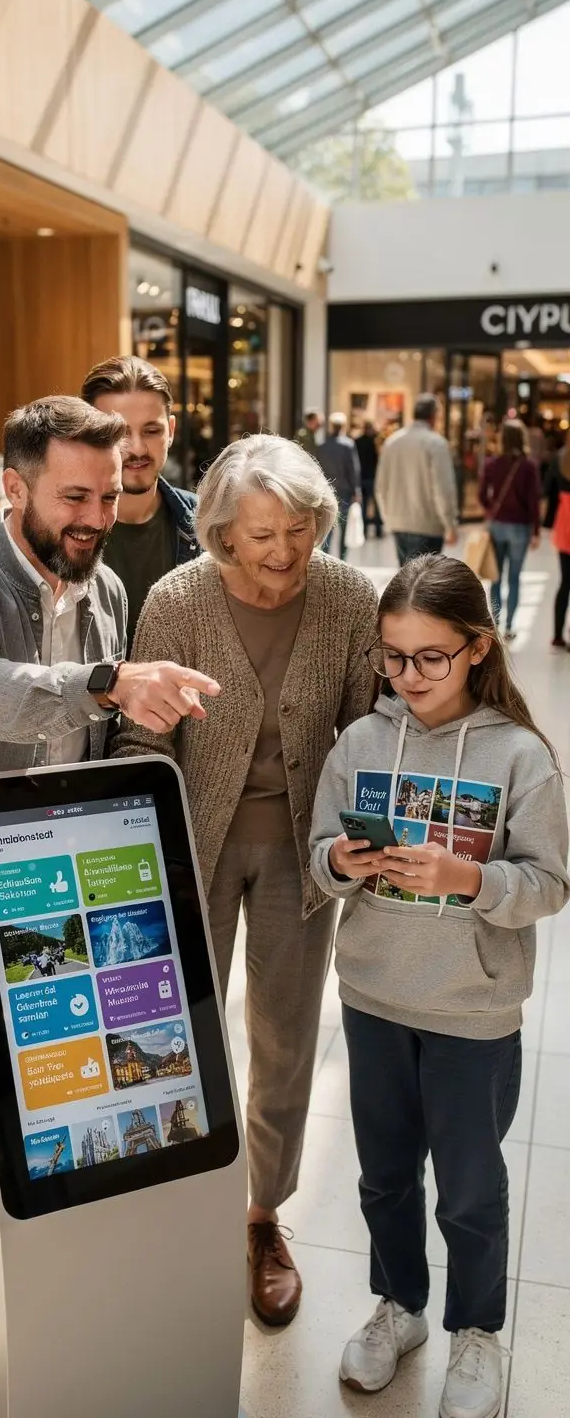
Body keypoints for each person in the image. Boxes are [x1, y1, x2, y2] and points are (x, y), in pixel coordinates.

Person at [0, 395, 220, 1418]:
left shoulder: (105, 585)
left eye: (108, 497)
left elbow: (99, 742)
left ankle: (14, 1280)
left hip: (50, 909)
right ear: (13, 486)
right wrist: (108, 681)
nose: (95, 517)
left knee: (37, 1119)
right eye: (74, 497)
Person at [114, 434, 377, 1329]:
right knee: (173, 1037)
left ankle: (264, 1217)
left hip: (303, 854)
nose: (283, 552)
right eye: (262, 535)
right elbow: (142, 739)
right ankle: (177, 1207)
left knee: (285, 1037)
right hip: (192, 848)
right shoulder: (178, 600)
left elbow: (368, 732)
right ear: (223, 532)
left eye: (299, 530)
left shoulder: (348, 597)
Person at [309, 554, 569, 1418]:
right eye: (393, 656)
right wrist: (341, 862)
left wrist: (470, 880)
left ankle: (478, 1330)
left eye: (431, 657)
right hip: (374, 998)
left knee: (469, 1189)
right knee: (384, 1176)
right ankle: (400, 1306)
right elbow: (317, 856)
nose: (409, 676)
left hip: (472, 1011)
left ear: (477, 648)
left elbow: (550, 884)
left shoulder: (519, 755)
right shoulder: (361, 741)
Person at [81, 355, 200, 648]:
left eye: (151, 430)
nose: (136, 448)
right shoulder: (60, 526)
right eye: (119, 433)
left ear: (171, 431)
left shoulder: (207, 523)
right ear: (87, 435)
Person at [375, 394, 459, 565]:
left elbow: (381, 487)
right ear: (434, 415)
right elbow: (442, 489)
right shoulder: (436, 444)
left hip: (398, 523)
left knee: (406, 576)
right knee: (423, 579)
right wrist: (450, 524)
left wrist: (388, 518)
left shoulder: (392, 442)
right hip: (427, 525)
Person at [479, 418, 541, 640]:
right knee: (514, 578)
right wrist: (536, 531)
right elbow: (534, 502)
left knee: (495, 577)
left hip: (497, 526)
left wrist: (491, 510)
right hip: (520, 528)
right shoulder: (529, 466)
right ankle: (509, 627)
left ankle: (495, 625)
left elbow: (481, 495)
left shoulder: (491, 464)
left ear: (502, 439)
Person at [316, 412, 362, 562]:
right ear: (343, 426)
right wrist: (356, 490)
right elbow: (353, 469)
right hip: (344, 491)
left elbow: (318, 469)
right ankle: (342, 559)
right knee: (344, 527)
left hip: (326, 490)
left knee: (328, 526)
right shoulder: (348, 445)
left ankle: (326, 558)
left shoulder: (322, 445)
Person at [544, 445, 570, 649]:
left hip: (565, 523)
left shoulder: (561, 458)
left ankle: (557, 635)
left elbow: (548, 490)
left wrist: (547, 522)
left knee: (565, 582)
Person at [356, 420, 382, 538]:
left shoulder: (357, 441)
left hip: (362, 477)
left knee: (364, 505)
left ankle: (364, 530)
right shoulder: (375, 441)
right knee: (376, 505)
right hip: (373, 477)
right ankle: (378, 530)